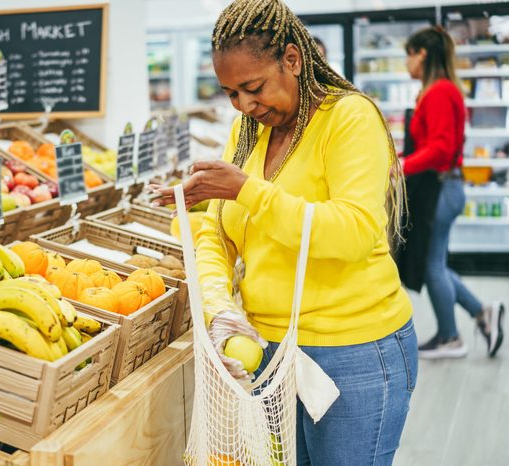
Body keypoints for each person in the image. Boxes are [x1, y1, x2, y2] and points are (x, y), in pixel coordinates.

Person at [152, 1, 416, 464]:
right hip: (271, 352)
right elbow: (217, 231)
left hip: (352, 351)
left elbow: (352, 232)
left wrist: (247, 191)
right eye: (231, 93)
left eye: (253, 88)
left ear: (292, 60)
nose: (245, 105)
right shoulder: (247, 131)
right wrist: (218, 308)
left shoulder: (348, 119)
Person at [403, 26, 505, 359]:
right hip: (444, 186)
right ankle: (482, 312)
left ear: (423, 54)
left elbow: (442, 149)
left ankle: (450, 337)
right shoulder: (437, 90)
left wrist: (400, 166)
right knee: (438, 264)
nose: (407, 62)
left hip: (442, 188)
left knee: (432, 265)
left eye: (409, 54)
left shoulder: (439, 92)